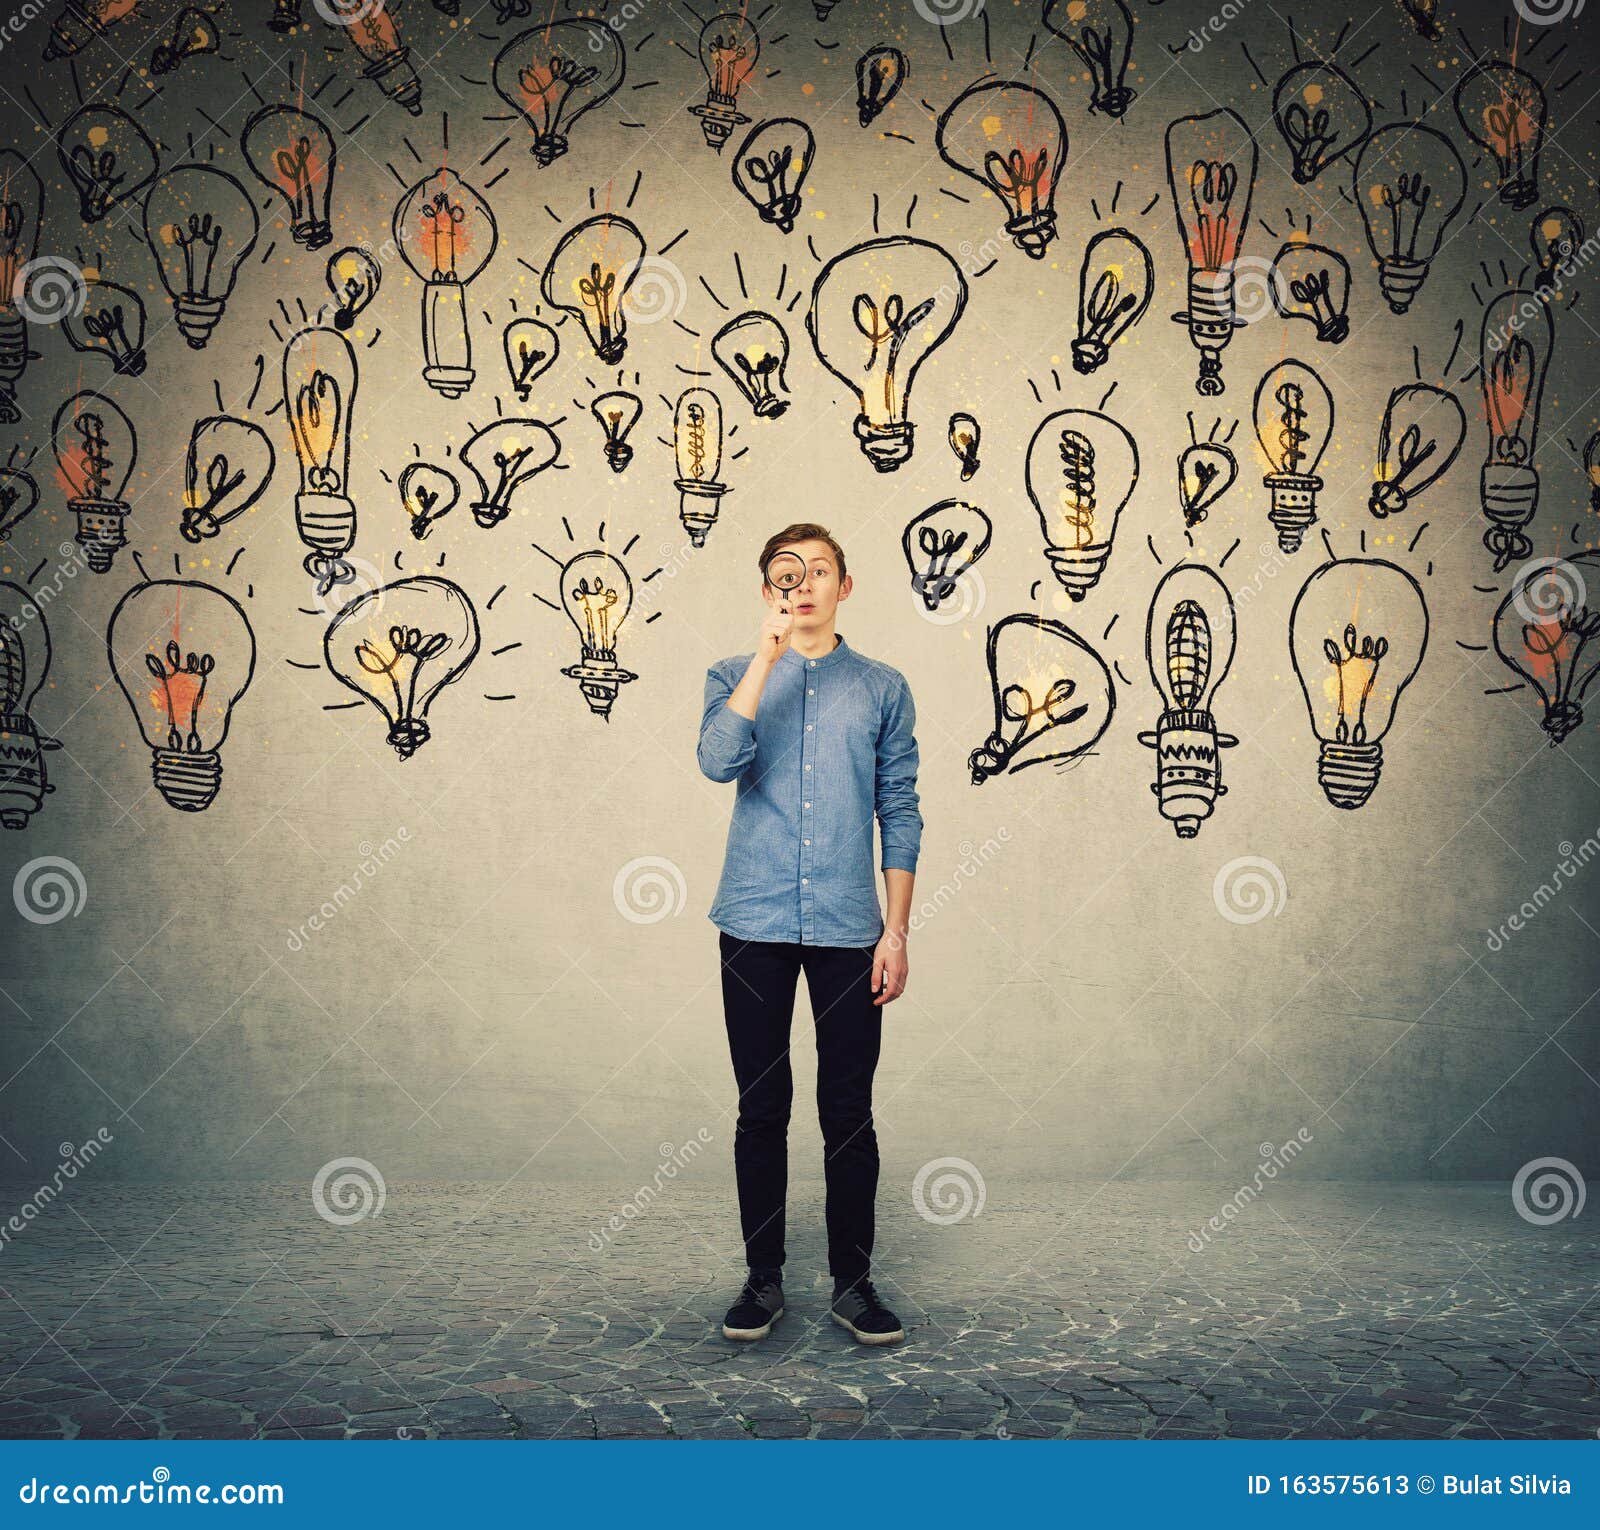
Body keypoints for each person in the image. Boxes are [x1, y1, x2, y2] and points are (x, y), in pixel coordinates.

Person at [696, 523, 922, 1347]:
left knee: (848, 1111)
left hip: (848, 929)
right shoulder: (732, 675)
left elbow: (899, 808)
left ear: (845, 587)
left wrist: (895, 932)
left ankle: (853, 1283)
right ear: (768, 589)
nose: (805, 584)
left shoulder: (883, 687)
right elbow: (717, 761)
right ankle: (763, 1281)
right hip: (751, 921)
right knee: (762, 1107)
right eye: (787, 573)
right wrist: (766, 658)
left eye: (820, 571)